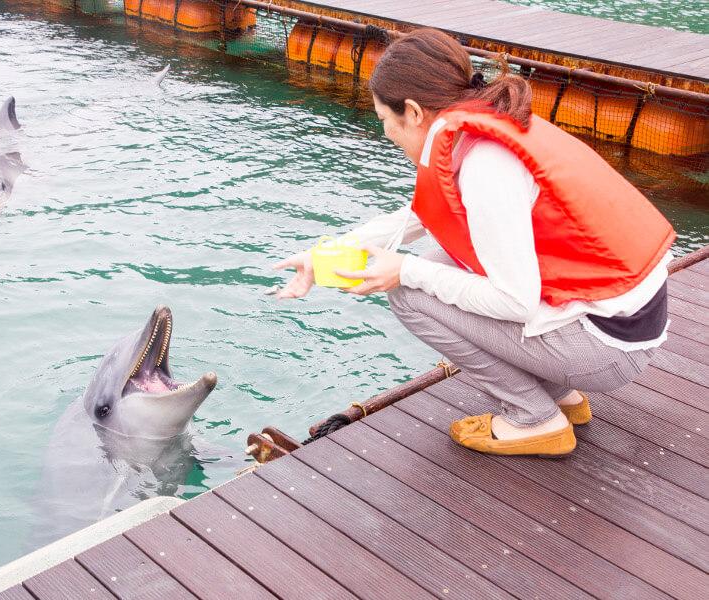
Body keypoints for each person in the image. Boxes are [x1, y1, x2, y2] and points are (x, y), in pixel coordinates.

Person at [274, 29, 674, 457]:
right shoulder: (488, 126)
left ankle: (534, 418)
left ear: (413, 112)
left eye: (384, 118)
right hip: (622, 321)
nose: (386, 131)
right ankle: (560, 395)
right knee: (436, 263)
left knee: (408, 292)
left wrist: (406, 270)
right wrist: (323, 256)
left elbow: (515, 302)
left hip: (608, 348)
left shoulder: (486, 164)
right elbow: (421, 215)